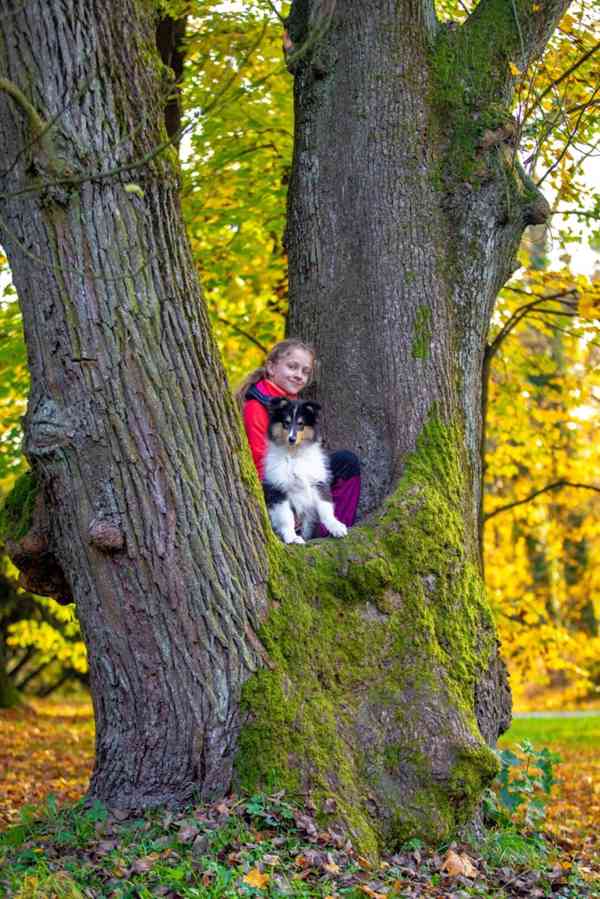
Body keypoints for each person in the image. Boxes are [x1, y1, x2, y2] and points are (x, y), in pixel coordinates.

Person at [235, 339, 361, 536]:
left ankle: (335, 531)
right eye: (292, 367)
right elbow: (261, 460)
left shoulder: (293, 403)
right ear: (271, 367)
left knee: (346, 463)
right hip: (275, 484)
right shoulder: (257, 405)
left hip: (296, 473)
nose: (298, 375)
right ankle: (309, 532)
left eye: (305, 371)